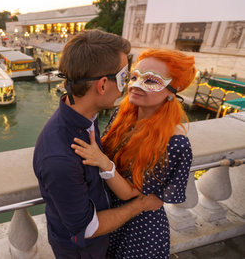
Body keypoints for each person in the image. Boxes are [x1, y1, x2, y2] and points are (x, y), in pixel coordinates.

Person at [33, 30, 163, 259]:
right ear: (102, 85)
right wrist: (140, 205)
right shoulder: (60, 158)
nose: (126, 86)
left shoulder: (85, 121)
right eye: (124, 77)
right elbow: (87, 228)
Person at [71, 49, 196, 258]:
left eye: (151, 81)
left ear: (171, 92)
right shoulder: (121, 115)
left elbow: (132, 194)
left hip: (140, 231)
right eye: (134, 77)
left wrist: (103, 163)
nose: (136, 85)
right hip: (109, 216)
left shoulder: (175, 143)